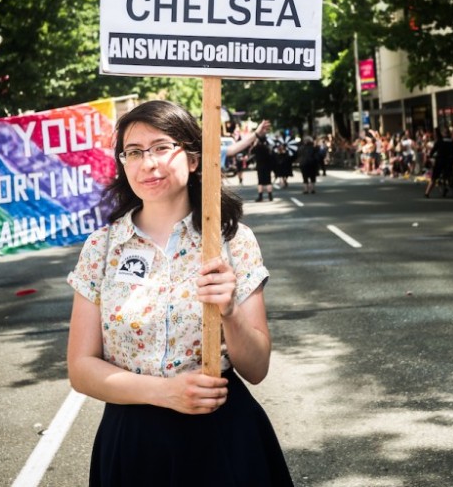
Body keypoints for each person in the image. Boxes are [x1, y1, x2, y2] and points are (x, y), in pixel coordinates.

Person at [67, 100, 294, 487]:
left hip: (222, 436)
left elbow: (256, 368)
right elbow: (81, 368)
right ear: (123, 163)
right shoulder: (103, 246)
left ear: (192, 159)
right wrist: (164, 393)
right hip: (133, 442)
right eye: (134, 152)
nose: (148, 163)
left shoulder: (231, 241)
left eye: (161, 147)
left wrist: (229, 311)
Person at [424, 127, 453, 197]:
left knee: (434, 177)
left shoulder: (440, 141)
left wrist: (430, 156)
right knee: (450, 174)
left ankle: (427, 193)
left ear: (443, 134)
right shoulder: (452, 142)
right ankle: (452, 186)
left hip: (440, 161)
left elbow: (433, 150)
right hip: (450, 161)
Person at [252, 132, 274, 201]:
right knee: (268, 181)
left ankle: (260, 197)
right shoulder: (267, 148)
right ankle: (270, 196)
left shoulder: (257, 148)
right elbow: (271, 156)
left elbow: (251, 151)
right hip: (267, 166)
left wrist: (255, 143)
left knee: (260, 182)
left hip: (260, 167)